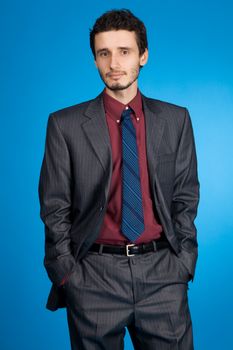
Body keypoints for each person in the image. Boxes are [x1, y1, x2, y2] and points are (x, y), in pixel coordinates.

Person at [38, 8, 199, 350]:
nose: (114, 63)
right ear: (94, 60)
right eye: (104, 53)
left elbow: (185, 197)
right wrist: (69, 275)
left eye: (124, 51)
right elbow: (54, 208)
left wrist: (183, 262)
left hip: (163, 275)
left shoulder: (176, 120)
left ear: (143, 55)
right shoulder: (64, 125)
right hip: (93, 276)